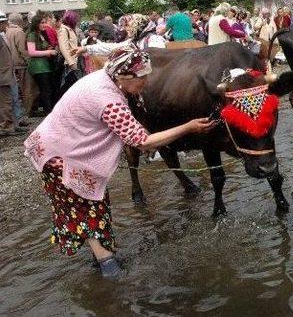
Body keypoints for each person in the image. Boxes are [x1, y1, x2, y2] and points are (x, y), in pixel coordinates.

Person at [24, 47, 214, 277]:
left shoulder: (104, 76)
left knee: (93, 206)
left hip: (58, 144)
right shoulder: (107, 99)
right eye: (142, 77)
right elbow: (142, 141)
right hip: (60, 157)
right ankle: (109, 268)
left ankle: (100, 261)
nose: (146, 82)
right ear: (125, 77)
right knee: (87, 209)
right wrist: (188, 127)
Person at [5, 13, 37, 118]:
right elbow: (22, 50)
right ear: (19, 21)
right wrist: (29, 61)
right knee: (27, 89)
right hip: (21, 65)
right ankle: (28, 112)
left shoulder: (6, 31)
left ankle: (18, 115)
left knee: (14, 92)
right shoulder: (19, 32)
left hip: (11, 65)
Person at [27, 12, 58, 115]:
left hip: (45, 66)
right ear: (36, 24)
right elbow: (31, 52)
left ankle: (49, 110)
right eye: (42, 23)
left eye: (45, 22)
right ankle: (48, 112)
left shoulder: (41, 34)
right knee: (45, 90)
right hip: (38, 67)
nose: (44, 25)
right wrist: (48, 52)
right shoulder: (32, 35)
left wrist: (49, 49)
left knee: (48, 89)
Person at [57, 10, 82, 97]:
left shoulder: (69, 29)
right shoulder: (64, 30)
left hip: (73, 60)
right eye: (76, 19)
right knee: (69, 86)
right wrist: (71, 62)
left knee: (71, 86)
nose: (77, 21)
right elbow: (64, 48)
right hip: (69, 63)